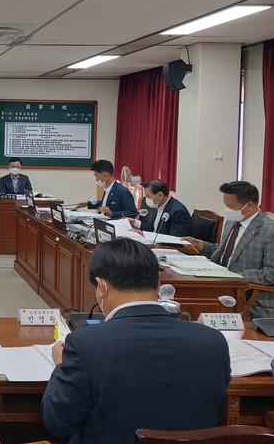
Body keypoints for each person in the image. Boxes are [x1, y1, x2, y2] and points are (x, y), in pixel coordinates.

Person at [41, 237, 230, 444]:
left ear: (102, 287)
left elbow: (57, 422)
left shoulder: (85, 345)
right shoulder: (213, 342)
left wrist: (60, 366)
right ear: (159, 286)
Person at [183, 181, 274, 319]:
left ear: (249, 206)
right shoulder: (232, 221)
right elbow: (227, 252)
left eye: (231, 206)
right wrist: (200, 245)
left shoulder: (269, 230)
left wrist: (240, 275)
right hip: (220, 284)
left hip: (249, 296)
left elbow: (271, 273)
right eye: (226, 205)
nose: (227, 210)